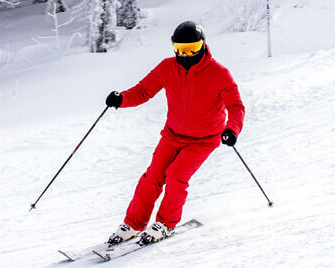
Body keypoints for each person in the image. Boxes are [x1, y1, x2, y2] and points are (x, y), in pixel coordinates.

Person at [105, 21, 245, 245]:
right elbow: (143, 91)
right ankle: (134, 224)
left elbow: (236, 107)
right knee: (152, 177)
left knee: (176, 177)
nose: (186, 54)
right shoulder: (167, 67)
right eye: (180, 49)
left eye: (192, 48)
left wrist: (232, 129)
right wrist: (121, 99)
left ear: (203, 45)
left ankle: (166, 223)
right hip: (172, 135)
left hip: (203, 140)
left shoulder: (219, 73)